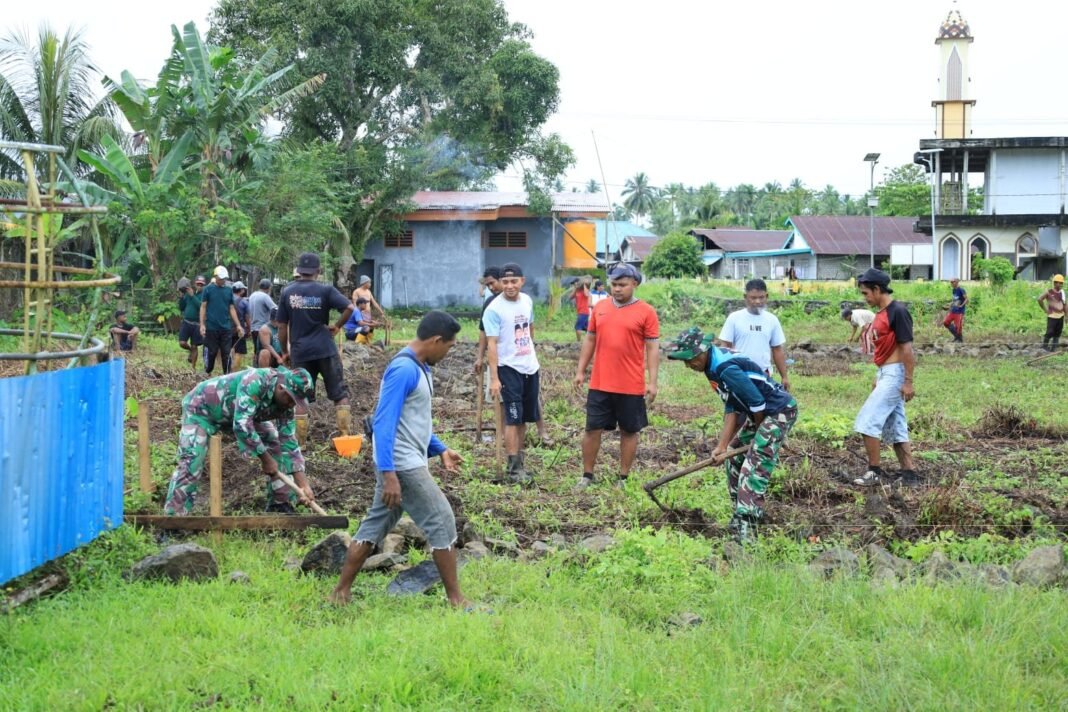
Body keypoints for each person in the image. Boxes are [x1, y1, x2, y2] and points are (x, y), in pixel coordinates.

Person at [330, 311, 468, 608]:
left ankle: (340, 592)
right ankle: (457, 600)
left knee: (374, 526)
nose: (448, 352)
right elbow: (383, 424)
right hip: (403, 466)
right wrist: (389, 473)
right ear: (436, 340)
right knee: (442, 521)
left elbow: (413, 422)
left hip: (402, 462)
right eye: (449, 346)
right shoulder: (404, 369)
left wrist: (441, 449)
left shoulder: (420, 367)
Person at [667, 327, 798, 543]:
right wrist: (722, 446)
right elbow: (732, 406)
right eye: (685, 361)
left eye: (690, 359)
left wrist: (758, 435)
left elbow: (757, 403)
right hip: (759, 412)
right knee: (733, 456)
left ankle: (748, 525)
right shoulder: (711, 365)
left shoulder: (725, 368)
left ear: (703, 351)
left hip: (778, 411)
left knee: (755, 463)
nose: (689, 365)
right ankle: (740, 514)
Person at [163, 367, 318, 515]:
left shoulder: (286, 405)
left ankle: (279, 504)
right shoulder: (255, 381)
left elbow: (289, 443)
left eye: (295, 402)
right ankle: (173, 518)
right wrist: (266, 459)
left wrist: (303, 485)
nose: (291, 405)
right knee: (192, 459)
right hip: (202, 410)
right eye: (290, 399)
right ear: (281, 388)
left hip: (239, 415)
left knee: (274, 441)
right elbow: (242, 425)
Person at [572, 264, 660, 490]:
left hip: (631, 384)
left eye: (622, 285)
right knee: (592, 429)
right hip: (600, 383)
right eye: (614, 284)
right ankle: (587, 475)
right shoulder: (600, 307)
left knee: (629, 430)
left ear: (634, 284)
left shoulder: (647, 312)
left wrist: (652, 382)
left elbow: (652, 348)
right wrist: (581, 370)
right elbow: (590, 339)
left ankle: (623, 477)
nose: (617, 289)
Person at [851, 268, 919, 487]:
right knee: (896, 425)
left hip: (895, 374)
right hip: (886, 373)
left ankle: (874, 472)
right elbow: (885, 348)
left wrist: (908, 381)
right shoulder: (881, 313)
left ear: (877, 289)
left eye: (866, 293)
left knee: (867, 421)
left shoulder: (897, 311)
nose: (865, 298)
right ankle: (909, 474)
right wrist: (878, 374)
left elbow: (906, 349)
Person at [278, 252, 354, 443]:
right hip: (325, 349)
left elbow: (282, 326)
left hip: (301, 352)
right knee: (339, 394)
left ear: (299, 270)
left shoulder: (287, 292)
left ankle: (300, 444)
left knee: (300, 397)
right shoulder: (326, 290)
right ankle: (345, 437)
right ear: (318, 271)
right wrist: (337, 326)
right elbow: (350, 308)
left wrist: (285, 351)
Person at [483, 263, 539, 485]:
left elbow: (530, 327)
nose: (509, 286)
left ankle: (520, 463)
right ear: (500, 283)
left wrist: (531, 353)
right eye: (505, 282)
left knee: (524, 418)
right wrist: (495, 378)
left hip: (529, 367)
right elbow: (492, 344)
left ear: (522, 281)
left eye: (513, 281)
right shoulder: (494, 309)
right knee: (513, 419)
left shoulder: (527, 301)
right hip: (508, 369)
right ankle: (513, 469)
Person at [717, 279, 791, 392]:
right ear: (745, 297)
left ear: (767, 296)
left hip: (763, 374)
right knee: (741, 402)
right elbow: (725, 347)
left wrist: (784, 377)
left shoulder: (772, 320)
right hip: (739, 373)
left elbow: (777, 350)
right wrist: (724, 373)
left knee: (763, 402)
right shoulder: (734, 318)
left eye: (761, 297)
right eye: (753, 298)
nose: (757, 301)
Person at [199, 266, 244, 375]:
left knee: (226, 352)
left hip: (226, 327)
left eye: (224, 278)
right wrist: (202, 324)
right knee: (212, 351)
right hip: (212, 326)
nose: (222, 280)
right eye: (220, 278)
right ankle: (208, 370)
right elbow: (203, 307)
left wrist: (238, 325)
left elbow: (231, 308)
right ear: (215, 277)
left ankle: (227, 374)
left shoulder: (228, 290)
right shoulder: (208, 289)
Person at [177, 277, 203, 368]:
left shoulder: (204, 295)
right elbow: (181, 308)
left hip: (197, 324)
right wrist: (181, 297)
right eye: (198, 284)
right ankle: (190, 351)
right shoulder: (187, 294)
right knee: (182, 343)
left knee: (194, 346)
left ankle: (193, 368)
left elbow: (201, 307)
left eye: (201, 285)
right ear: (194, 284)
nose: (199, 286)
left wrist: (193, 296)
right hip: (186, 322)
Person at [1038, 274, 1065, 352]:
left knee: (1058, 333)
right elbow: (1040, 299)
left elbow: (1065, 304)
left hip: (1061, 316)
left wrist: (1066, 315)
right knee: (1049, 332)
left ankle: (1054, 348)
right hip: (1052, 316)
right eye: (1057, 282)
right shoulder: (1049, 292)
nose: (1058, 284)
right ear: (1054, 283)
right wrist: (1045, 310)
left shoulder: (1063, 293)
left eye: (1060, 283)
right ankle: (1044, 347)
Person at [231, 282, 251, 370]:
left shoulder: (227, 300)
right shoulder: (244, 302)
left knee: (228, 350)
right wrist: (249, 329)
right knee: (238, 351)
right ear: (241, 290)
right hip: (239, 330)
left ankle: (228, 369)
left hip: (227, 329)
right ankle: (234, 371)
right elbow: (247, 317)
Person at [567, 277, 591, 342]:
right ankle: (590, 341)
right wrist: (575, 288)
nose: (574, 285)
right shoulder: (577, 291)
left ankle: (578, 341)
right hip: (580, 312)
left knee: (578, 327)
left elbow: (586, 295)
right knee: (587, 329)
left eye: (575, 283)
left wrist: (584, 285)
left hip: (584, 312)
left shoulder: (586, 290)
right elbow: (570, 297)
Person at [943, 277, 968, 343]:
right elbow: (954, 300)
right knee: (946, 322)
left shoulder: (961, 290)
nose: (951, 283)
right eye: (951, 282)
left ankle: (959, 339)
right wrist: (948, 306)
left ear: (957, 282)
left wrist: (961, 305)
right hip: (953, 310)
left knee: (958, 327)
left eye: (952, 282)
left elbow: (966, 299)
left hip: (959, 311)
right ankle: (957, 337)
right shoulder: (954, 290)